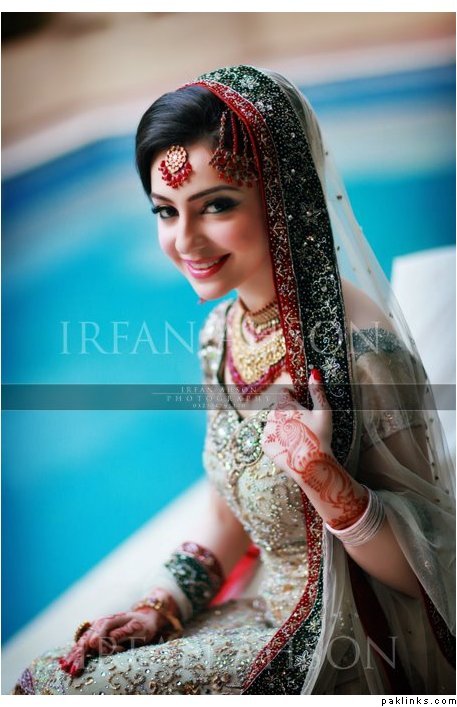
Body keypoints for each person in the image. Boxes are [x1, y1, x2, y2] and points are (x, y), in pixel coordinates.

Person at [12, 65, 455, 695]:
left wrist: (324, 479)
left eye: (216, 206)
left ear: (282, 195)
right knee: (60, 672)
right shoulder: (223, 332)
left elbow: (430, 574)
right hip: (264, 615)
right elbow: (226, 513)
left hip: (349, 641)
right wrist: (160, 605)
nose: (184, 240)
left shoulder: (359, 351)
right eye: (166, 212)